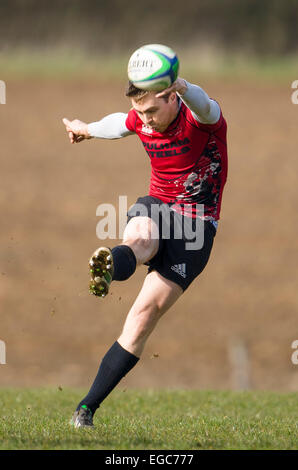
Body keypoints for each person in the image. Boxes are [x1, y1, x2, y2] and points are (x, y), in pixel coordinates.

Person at [62, 73, 228, 428]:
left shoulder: (202, 119)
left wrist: (187, 88)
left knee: (140, 320)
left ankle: (86, 409)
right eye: (141, 111)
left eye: (152, 110)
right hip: (158, 204)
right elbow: (119, 124)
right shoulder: (141, 116)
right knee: (138, 241)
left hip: (196, 227)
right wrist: (85, 128)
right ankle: (110, 264)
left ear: (171, 97)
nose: (146, 119)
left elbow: (205, 104)